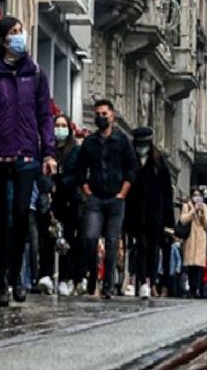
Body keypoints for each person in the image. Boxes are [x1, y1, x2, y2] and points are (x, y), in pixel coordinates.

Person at [0, 16, 58, 307]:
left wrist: (49, 153)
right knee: (1, 218)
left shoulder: (36, 75)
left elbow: (45, 116)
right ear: (3, 39)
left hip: (27, 156)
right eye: (14, 32)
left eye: (21, 32)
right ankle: (3, 281)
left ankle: (17, 274)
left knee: (21, 215)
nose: (20, 37)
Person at [72, 99, 137, 299]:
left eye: (104, 114)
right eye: (97, 114)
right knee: (90, 237)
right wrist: (87, 191)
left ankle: (108, 284)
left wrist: (122, 194)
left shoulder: (122, 140)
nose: (101, 117)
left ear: (112, 116)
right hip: (95, 198)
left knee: (111, 242)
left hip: (115, 198)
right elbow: (80, 170)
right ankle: (92, 275)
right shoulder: (89, 143)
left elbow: (132, 169)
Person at [126, 127, 174, 298]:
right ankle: (137, 279)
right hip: (134, 213)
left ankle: (150, 281)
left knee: (153, 249)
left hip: (155, 214)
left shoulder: (159, 162)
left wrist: (169, 222)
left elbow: (167, 193)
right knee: (138, 247)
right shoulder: (130, 160)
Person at [51, 114, 82, 297]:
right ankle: (47, 275)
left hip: (69, 199)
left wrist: (61, 182)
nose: (60, 129)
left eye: (63, 125)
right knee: (50, 237)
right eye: (57, 125)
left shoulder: (75, 151)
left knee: (68, 239)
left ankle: (66, 277)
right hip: (53, 199)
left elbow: (76, 174)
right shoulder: (49, 149)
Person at [180, 187, 207, 299]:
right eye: (195, 195)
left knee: (199, 267)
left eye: (199, 195)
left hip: (201, 239)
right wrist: (193, 211)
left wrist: (202, 212)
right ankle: (191, 289)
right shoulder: (186, 206)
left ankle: (197, 289)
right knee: (191, 266)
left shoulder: (205, 208)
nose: (197, 197)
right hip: (190, 239)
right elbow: (183, 220)